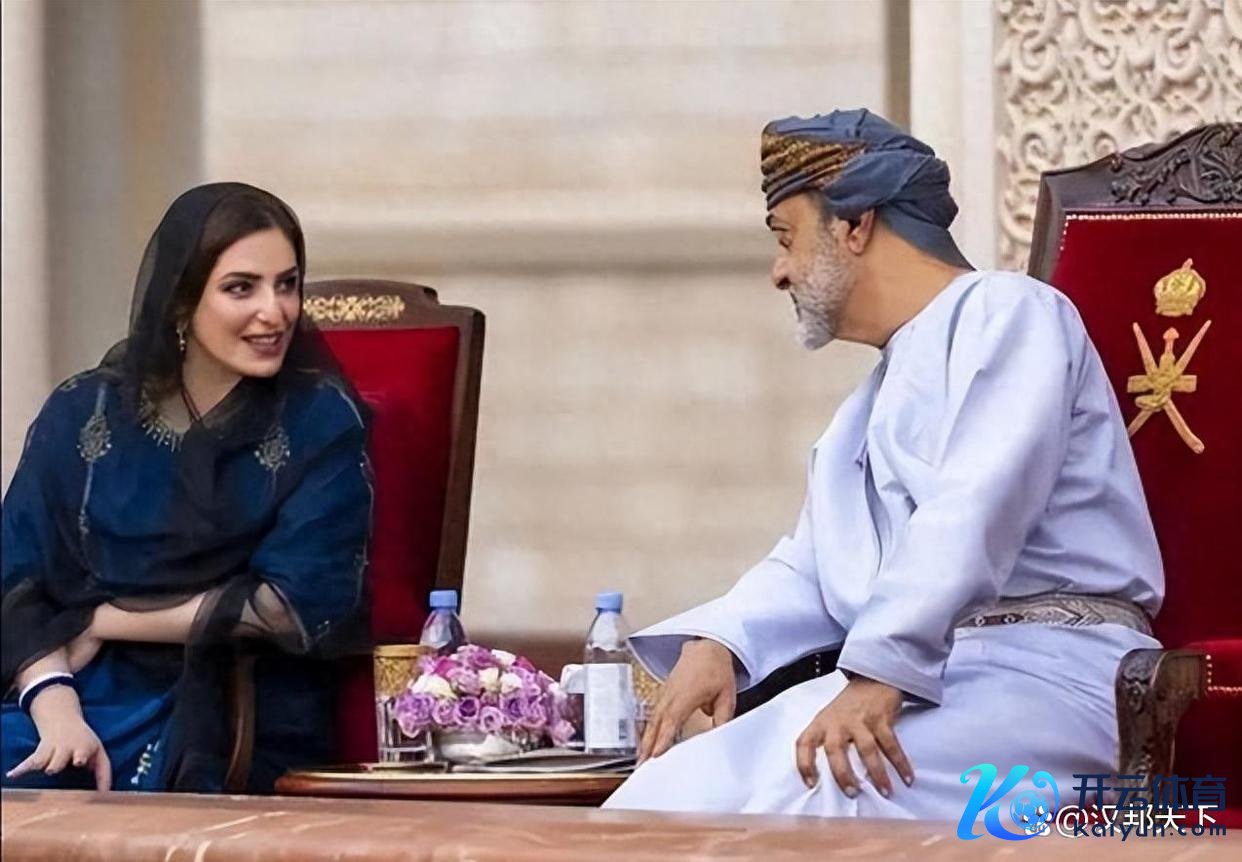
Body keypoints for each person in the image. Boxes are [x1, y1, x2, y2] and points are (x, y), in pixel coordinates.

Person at [604, 110, 1163, 818]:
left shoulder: (1012, 312)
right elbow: (813, 567)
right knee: (669, 793)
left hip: (1049, 676)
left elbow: (976, 508)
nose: (779, 272)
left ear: (856, 225)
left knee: (821, 790)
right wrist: (722, 642)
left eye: (787, 238)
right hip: (925, 679)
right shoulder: (865, 405)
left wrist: (882, 671)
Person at [1, 183, 372, 793]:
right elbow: (16, 579)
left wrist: (102, 621)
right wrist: (55, 704)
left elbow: (295, 603)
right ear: (180, 302)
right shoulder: (84, 411)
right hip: (69, 689)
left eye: (287, 284)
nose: (275, 311)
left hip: (228, 703)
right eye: (241, 288)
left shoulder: (319, 422)